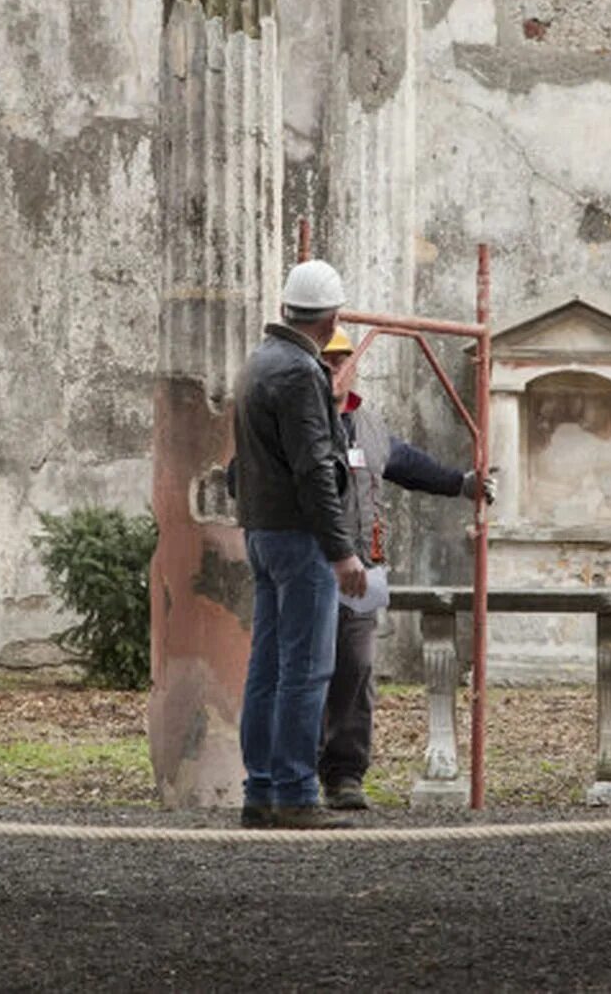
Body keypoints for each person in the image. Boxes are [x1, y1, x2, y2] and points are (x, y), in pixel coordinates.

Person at [318, 327, 496, 810]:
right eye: (326, 360)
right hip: (309, 569)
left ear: (353, 366)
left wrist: (463, 485)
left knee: (358, 669)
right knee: (306, 671)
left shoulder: (369, 424)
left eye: (342, 361)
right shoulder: (294, 419)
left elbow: (408, 464)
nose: (334, 369)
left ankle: (345, 776)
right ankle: (291, 776)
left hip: (363, 572)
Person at [232, 259, 367, 830]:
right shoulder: (300, 372)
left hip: (262, 532)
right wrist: (341, 550)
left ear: (287, 308)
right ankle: (293, 790)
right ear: (330, 318)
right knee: (308, 669)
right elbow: (315, 468)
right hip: (299, 537)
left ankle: (261, 788)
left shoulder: (258, 363)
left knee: (267, 667)